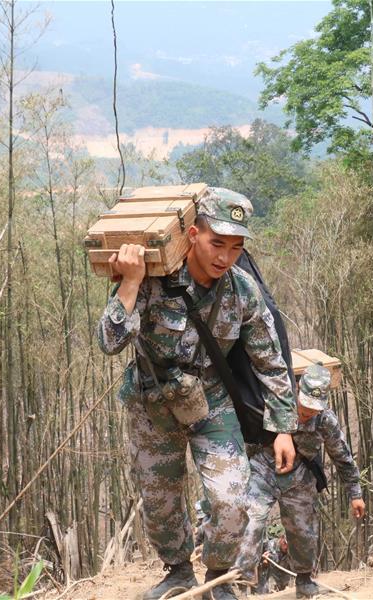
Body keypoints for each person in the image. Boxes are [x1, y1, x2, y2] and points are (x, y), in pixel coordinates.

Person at [97, 187, 298, 600]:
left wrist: (284, 429)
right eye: (217, 243)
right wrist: (131, 282)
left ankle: (217, 577)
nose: (225, 256)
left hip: (211, 402)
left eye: (236, 247)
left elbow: (271, 361)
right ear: (193, 234)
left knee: (232, 498)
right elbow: (109, 342)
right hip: (152, 402)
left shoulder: (242, 291)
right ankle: (178, 573)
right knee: (160, 499)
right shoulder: (153, 282)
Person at [235, 365, 366, 599]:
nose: (307, 412)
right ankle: (238, 582)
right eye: (304, 405)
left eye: (313, 408)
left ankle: (304, 580)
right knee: (250, 521)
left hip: (299, 475)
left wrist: (355, 493)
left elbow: (342, 457)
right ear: (296, 389)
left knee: (303, 530)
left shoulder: (325, 421)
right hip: (263, 468)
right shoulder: (276, 402)